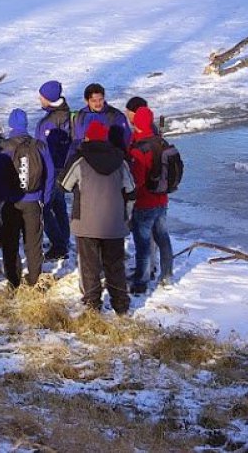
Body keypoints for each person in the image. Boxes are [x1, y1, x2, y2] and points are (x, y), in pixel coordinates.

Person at [60, 122, 136, 314]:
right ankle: (121, 305)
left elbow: (64, 185)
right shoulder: (120, 160)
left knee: (89, 266)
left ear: (87, 137)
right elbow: (131, 189)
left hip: (86, 222)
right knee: (115, 265)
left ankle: (93, 306)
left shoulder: (80, 159)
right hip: (114, 223)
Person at [0, 109, 54, 288]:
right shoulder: (39, 145)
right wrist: (44, 198)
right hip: (33, 201)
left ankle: (13, 280)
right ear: (26, 124)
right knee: (33, 242)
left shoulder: (3, 147)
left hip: (9, 203)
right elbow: (50, 173)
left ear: (10, 125)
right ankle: (34, 279)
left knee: (10, 242)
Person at [128, 106, 175, 294]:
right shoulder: (161, 142)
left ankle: (142, 280)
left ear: (136, 123)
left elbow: (136, 181)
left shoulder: (139, 150)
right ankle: (167, 276)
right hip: (162, 200)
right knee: (163, 239)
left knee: (143, 243)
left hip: (144, 203)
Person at [35, 80, 73, 260]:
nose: (39, 99)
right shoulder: (63, 113)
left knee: (46, 206)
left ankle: (59, 245)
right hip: (63, 168)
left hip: (53, 169)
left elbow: (45, 148)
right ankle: (63, 240)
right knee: (59, 205)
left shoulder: (52, 121)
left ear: (48, 99)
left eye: (41, 96)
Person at [69, 83, 132, 160]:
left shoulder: (115, 116)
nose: (98, 103)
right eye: (94, 101)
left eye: (100, 99)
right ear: (86, 101)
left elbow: (126, 140)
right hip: (85, 161)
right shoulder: (80, 116)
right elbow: (75, 139)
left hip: (109, 160)